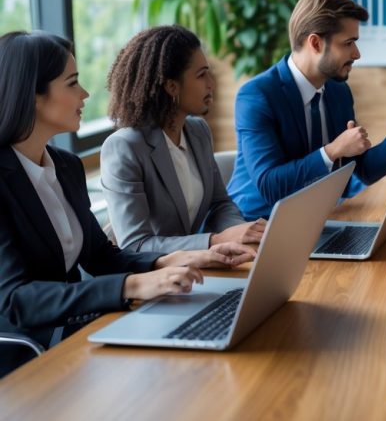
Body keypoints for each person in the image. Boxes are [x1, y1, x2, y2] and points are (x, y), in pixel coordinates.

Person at [0, 31, 255, 365]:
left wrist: (172, 260)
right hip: (30, 355)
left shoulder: (65, 167)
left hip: (81, 332)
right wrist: (132, 286)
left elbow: (101, 257)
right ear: (33, 95)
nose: (86, 93)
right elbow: (14, 300)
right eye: (73, 82)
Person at [227, 0, 386, 220]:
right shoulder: (257, 95)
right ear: (316, 43)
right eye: (348, 43)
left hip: (316, 219)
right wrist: (333, 151)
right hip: (254, 227)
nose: (357, 54)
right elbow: (271, 186)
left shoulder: (338, 92)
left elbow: (357, 169)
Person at [101, 26, 265, 252]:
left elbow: (219, 204)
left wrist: (242, 233)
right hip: (150, 278)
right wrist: (215, 241)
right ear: (171, 86)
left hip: (191, 269)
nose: (211, 83)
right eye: (201, 75)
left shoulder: (198, 131)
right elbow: (135, 245)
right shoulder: (125, 147)